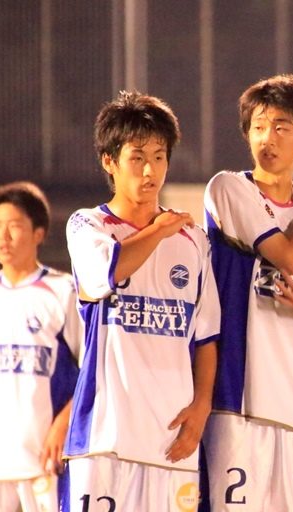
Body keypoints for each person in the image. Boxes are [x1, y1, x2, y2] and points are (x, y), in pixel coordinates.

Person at [201, 73, 293, 511]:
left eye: (282, 127)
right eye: (259, 126)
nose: (267, 137)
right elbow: (291, 258)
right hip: (236, 400)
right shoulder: (230, 188)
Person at [62, 91, 220, 511]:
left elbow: (206, 336)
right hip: (106, 440)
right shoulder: (88, 226)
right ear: (109, 162)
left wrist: (201, 407)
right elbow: (109, 272)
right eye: (137, 158)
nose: (150, 170)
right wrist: (159, 230)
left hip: (171, 443)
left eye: (159, 156)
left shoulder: (193, 241)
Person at [0, 181, 80, 512]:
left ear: (39, 233)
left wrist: (63, 425)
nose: (3, 236)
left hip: (43, 462)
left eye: (14, 226)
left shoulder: (63, 292)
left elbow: (93, 369)